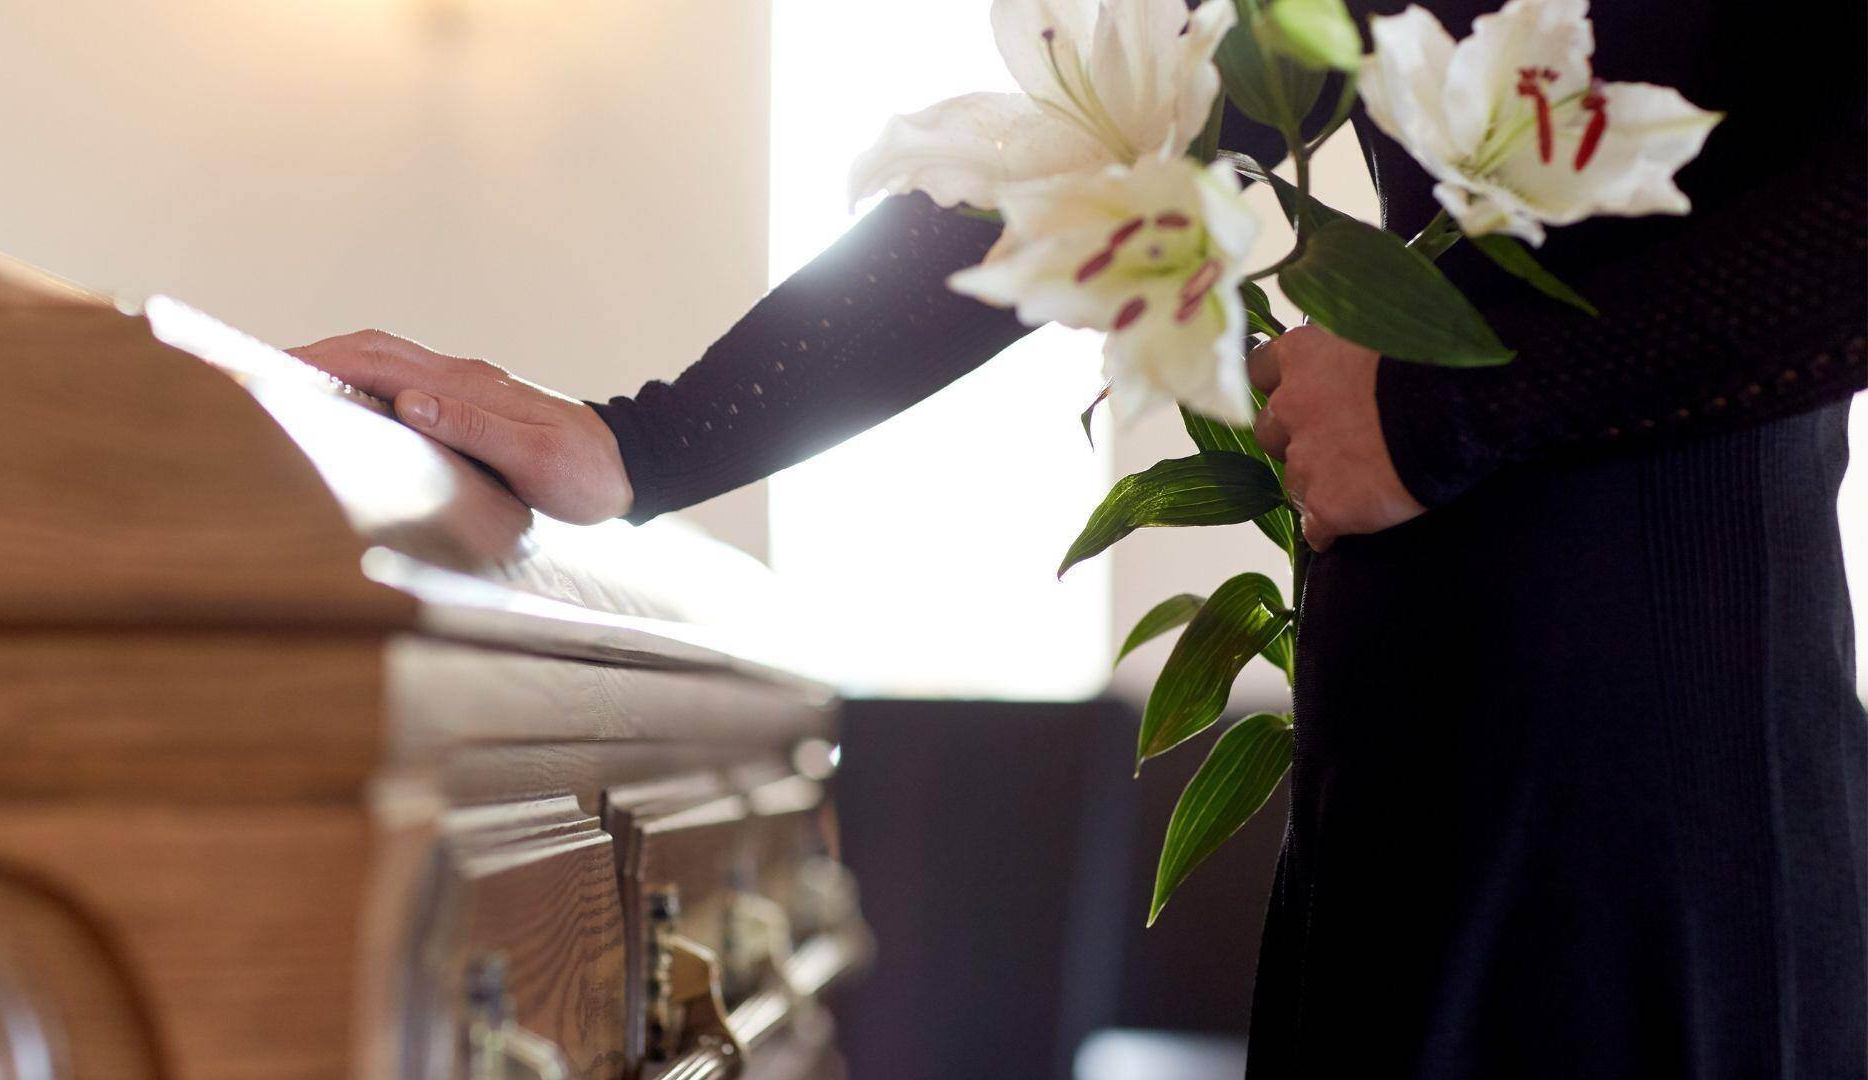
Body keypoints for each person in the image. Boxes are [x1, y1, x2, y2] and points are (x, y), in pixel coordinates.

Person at [293, 0, 1867, 1074]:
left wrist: (1462, 407)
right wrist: (649, 438)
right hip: (1408, 746)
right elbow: (1109, 141)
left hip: (1674, 776)